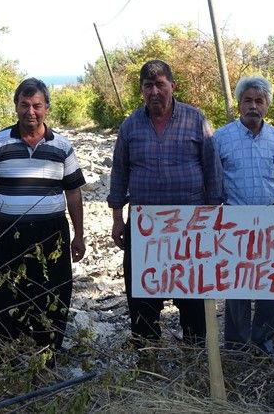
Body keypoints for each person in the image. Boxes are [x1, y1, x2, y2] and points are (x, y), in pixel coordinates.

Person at [107, 59, 222, 345]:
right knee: (142, 299)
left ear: (173, 86)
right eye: (148, 86)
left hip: (190, 226)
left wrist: (214, 218)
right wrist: (118, 219)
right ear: (141, 90)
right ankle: (148, 360)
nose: (154, 91)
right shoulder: (130, 125)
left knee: (193, 297)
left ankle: (195, 358)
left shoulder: (196, 119)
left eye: (160, 84)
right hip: (145, 226)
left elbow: (212, 169)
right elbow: (119, 171)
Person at [0, 77, 86, 353]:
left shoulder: (62, 146)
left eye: (37, 105)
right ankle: (11, 356)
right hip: (6, 233)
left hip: (52, 234)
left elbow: (73, 192)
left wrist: (79, 235)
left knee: (54, 292)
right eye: (24, 105)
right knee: (5, 294)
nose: (30, 112)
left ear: (47, 107)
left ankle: (47, 356)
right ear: (15, 106)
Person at [213, 76, 274, 357]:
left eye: (259, 101)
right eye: (247, 100)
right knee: (237, 284)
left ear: (267, 105)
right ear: (239, 104)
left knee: (269, 283)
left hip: (271, 216)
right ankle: (236, 344)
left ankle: (263, 341)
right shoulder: (222, 137)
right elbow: (212, 183)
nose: (253, 105)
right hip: (236, 218)